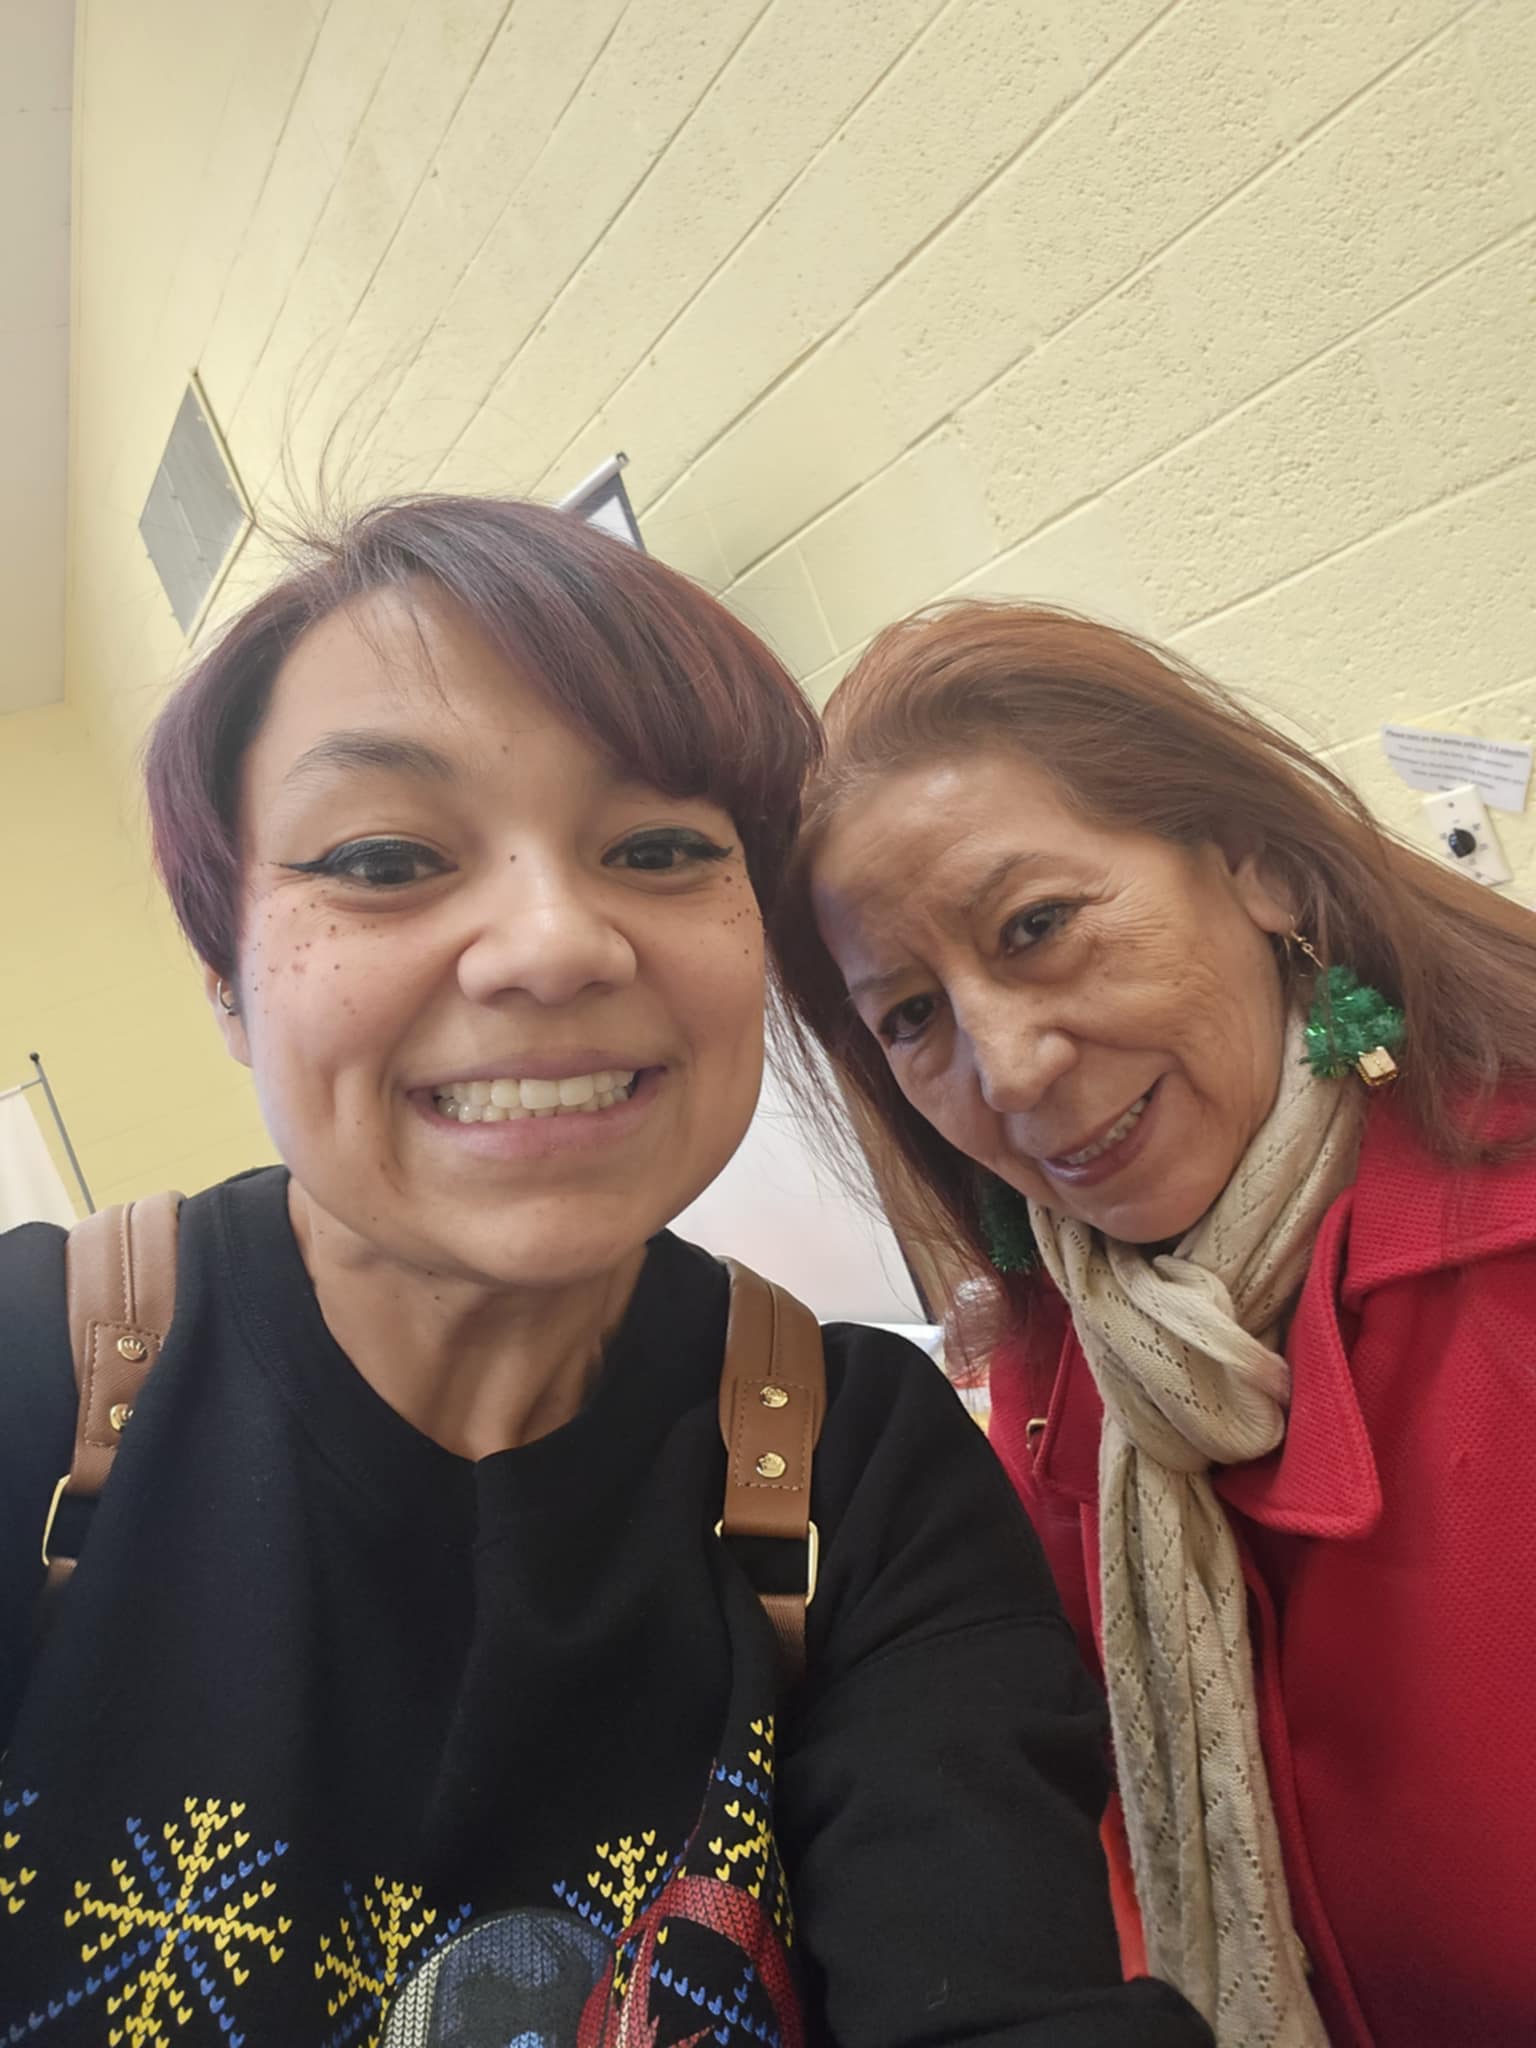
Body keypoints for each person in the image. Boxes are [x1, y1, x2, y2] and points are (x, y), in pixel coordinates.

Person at [0, 506, 1208, 2048]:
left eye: (658, 849)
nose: (555, 944)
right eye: (383, 860)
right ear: (225, 983)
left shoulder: (865, 1469)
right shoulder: (36, 1375)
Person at [775, 599, 1536, 2048]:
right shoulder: (1063, 1362)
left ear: (1256, 864)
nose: (1009, 1069)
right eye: (913, 1016)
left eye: (1037, 927)